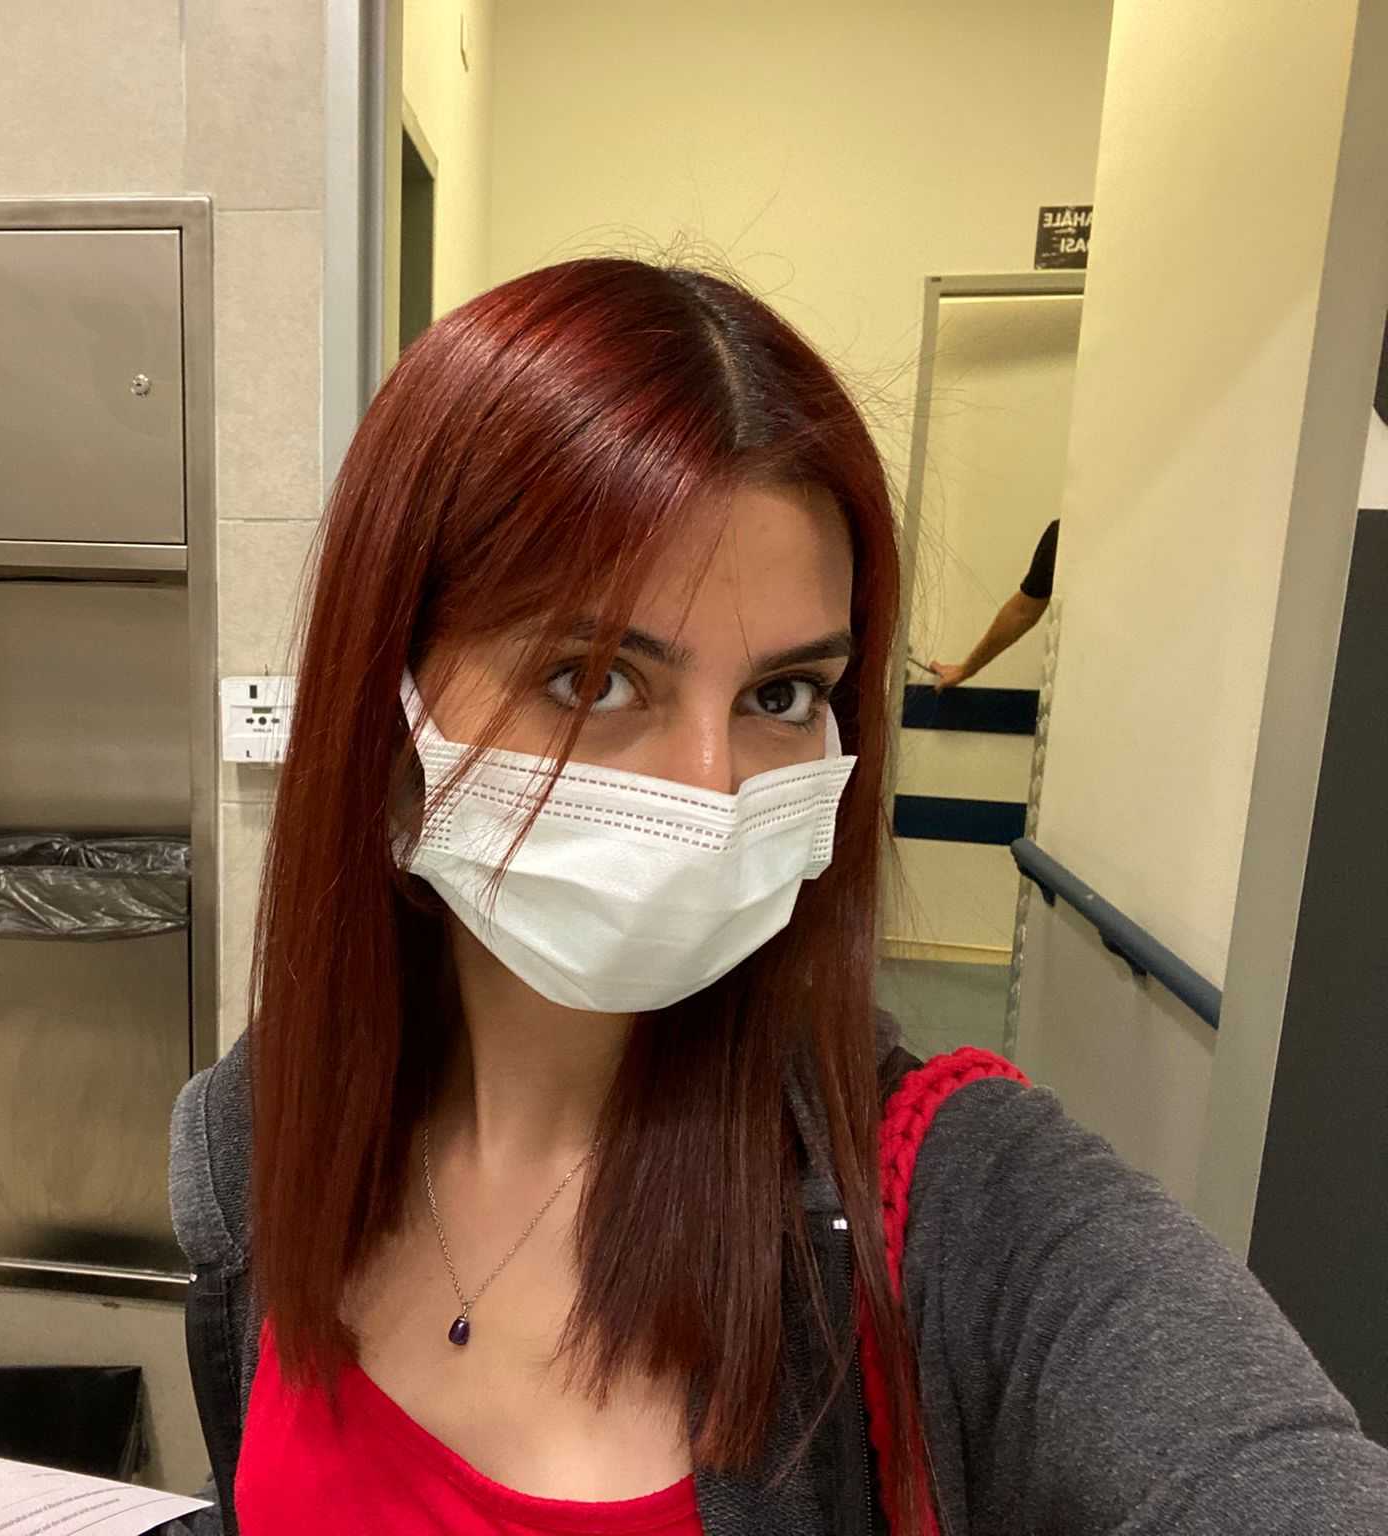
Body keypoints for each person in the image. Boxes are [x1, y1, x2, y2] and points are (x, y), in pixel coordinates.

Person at [164, 259, 1388, 1536]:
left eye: (780, 696)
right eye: (593, 678)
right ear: (389, 714)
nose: (712, 789)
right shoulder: (264, 1135)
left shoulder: (946, 1215)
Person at [930, 519, 1057, 690]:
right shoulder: (1062, 535)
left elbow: (1023, 613)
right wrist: (964, 670)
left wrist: (965, 670)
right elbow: (1022, 613)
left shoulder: (1065, 534)